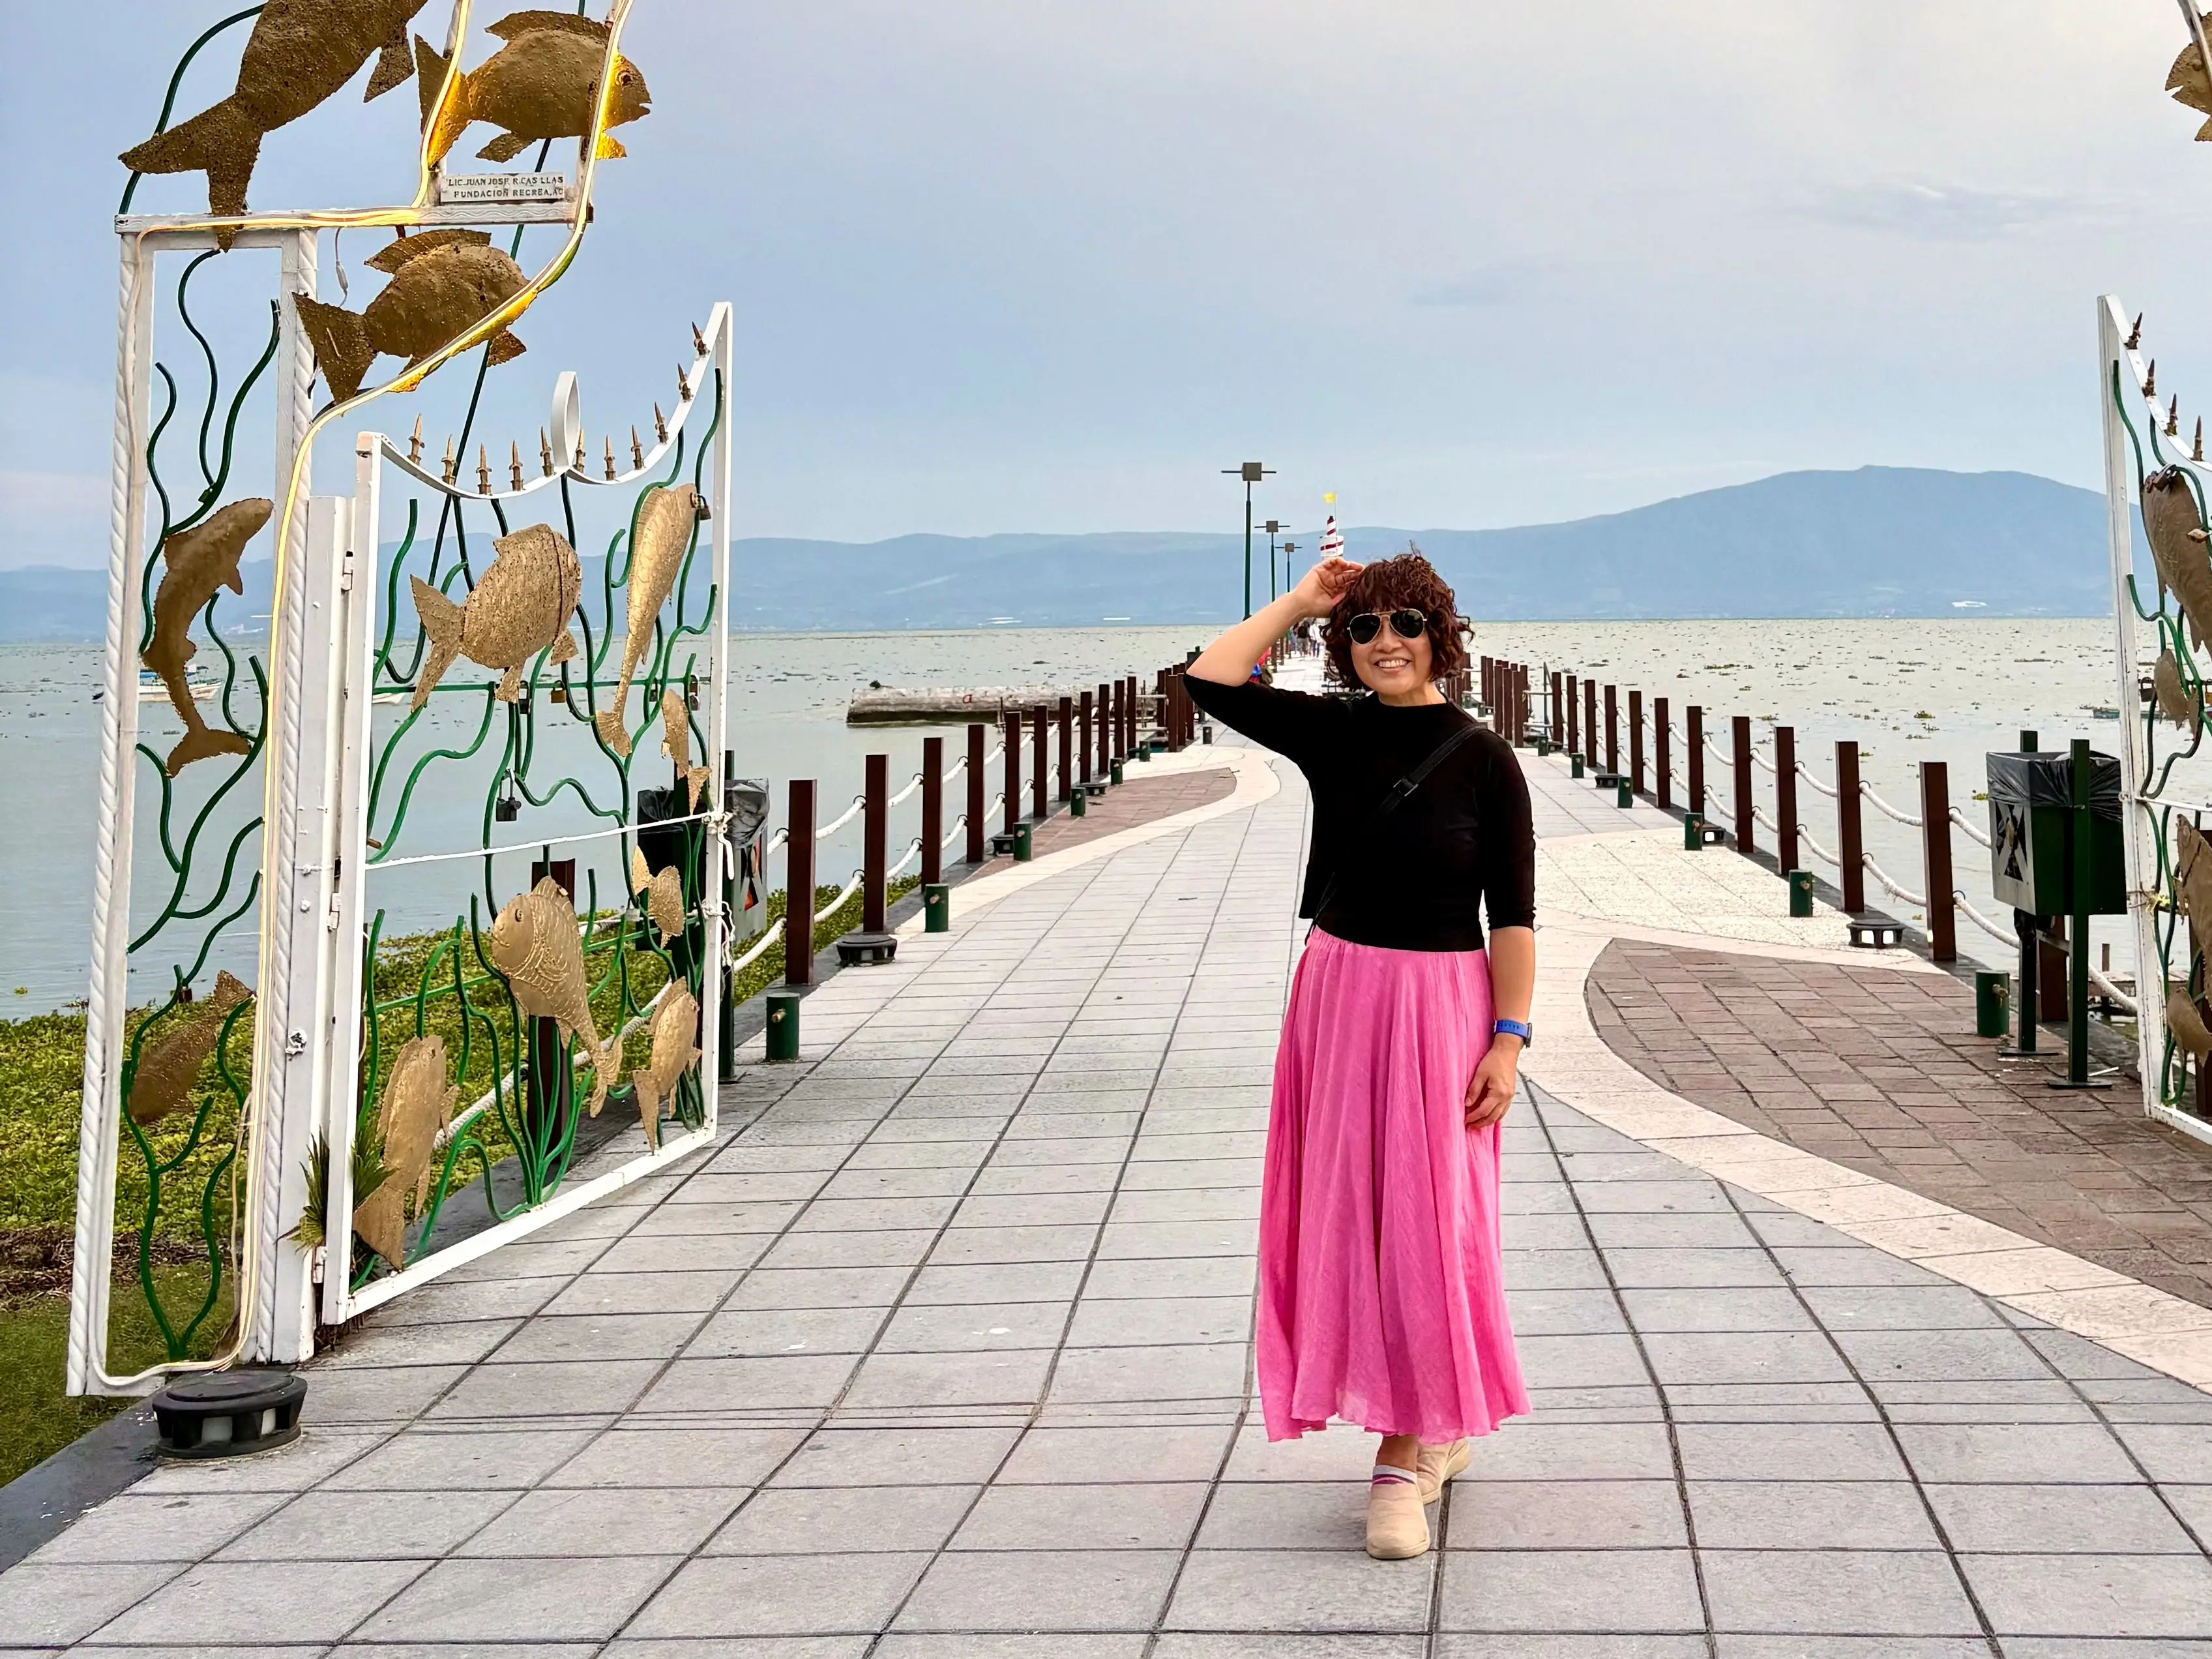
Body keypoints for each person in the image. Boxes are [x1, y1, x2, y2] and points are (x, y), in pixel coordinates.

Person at [1185, 548, 1534, 1561]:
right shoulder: (1333, 733)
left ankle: (1405, 1450)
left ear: (1441, 636)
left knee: (1430, 1223)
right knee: (1348, 1216)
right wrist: (1298, 601)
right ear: (1344, 646)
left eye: (1406, 625)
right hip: (1339, 996)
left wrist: (1509, 1041)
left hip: (1442, 1007)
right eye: (1365, 628)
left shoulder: (1483, 757)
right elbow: (1209, 680)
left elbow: (1512, 917)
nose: (1386, 642)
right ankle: (1423, 1432)